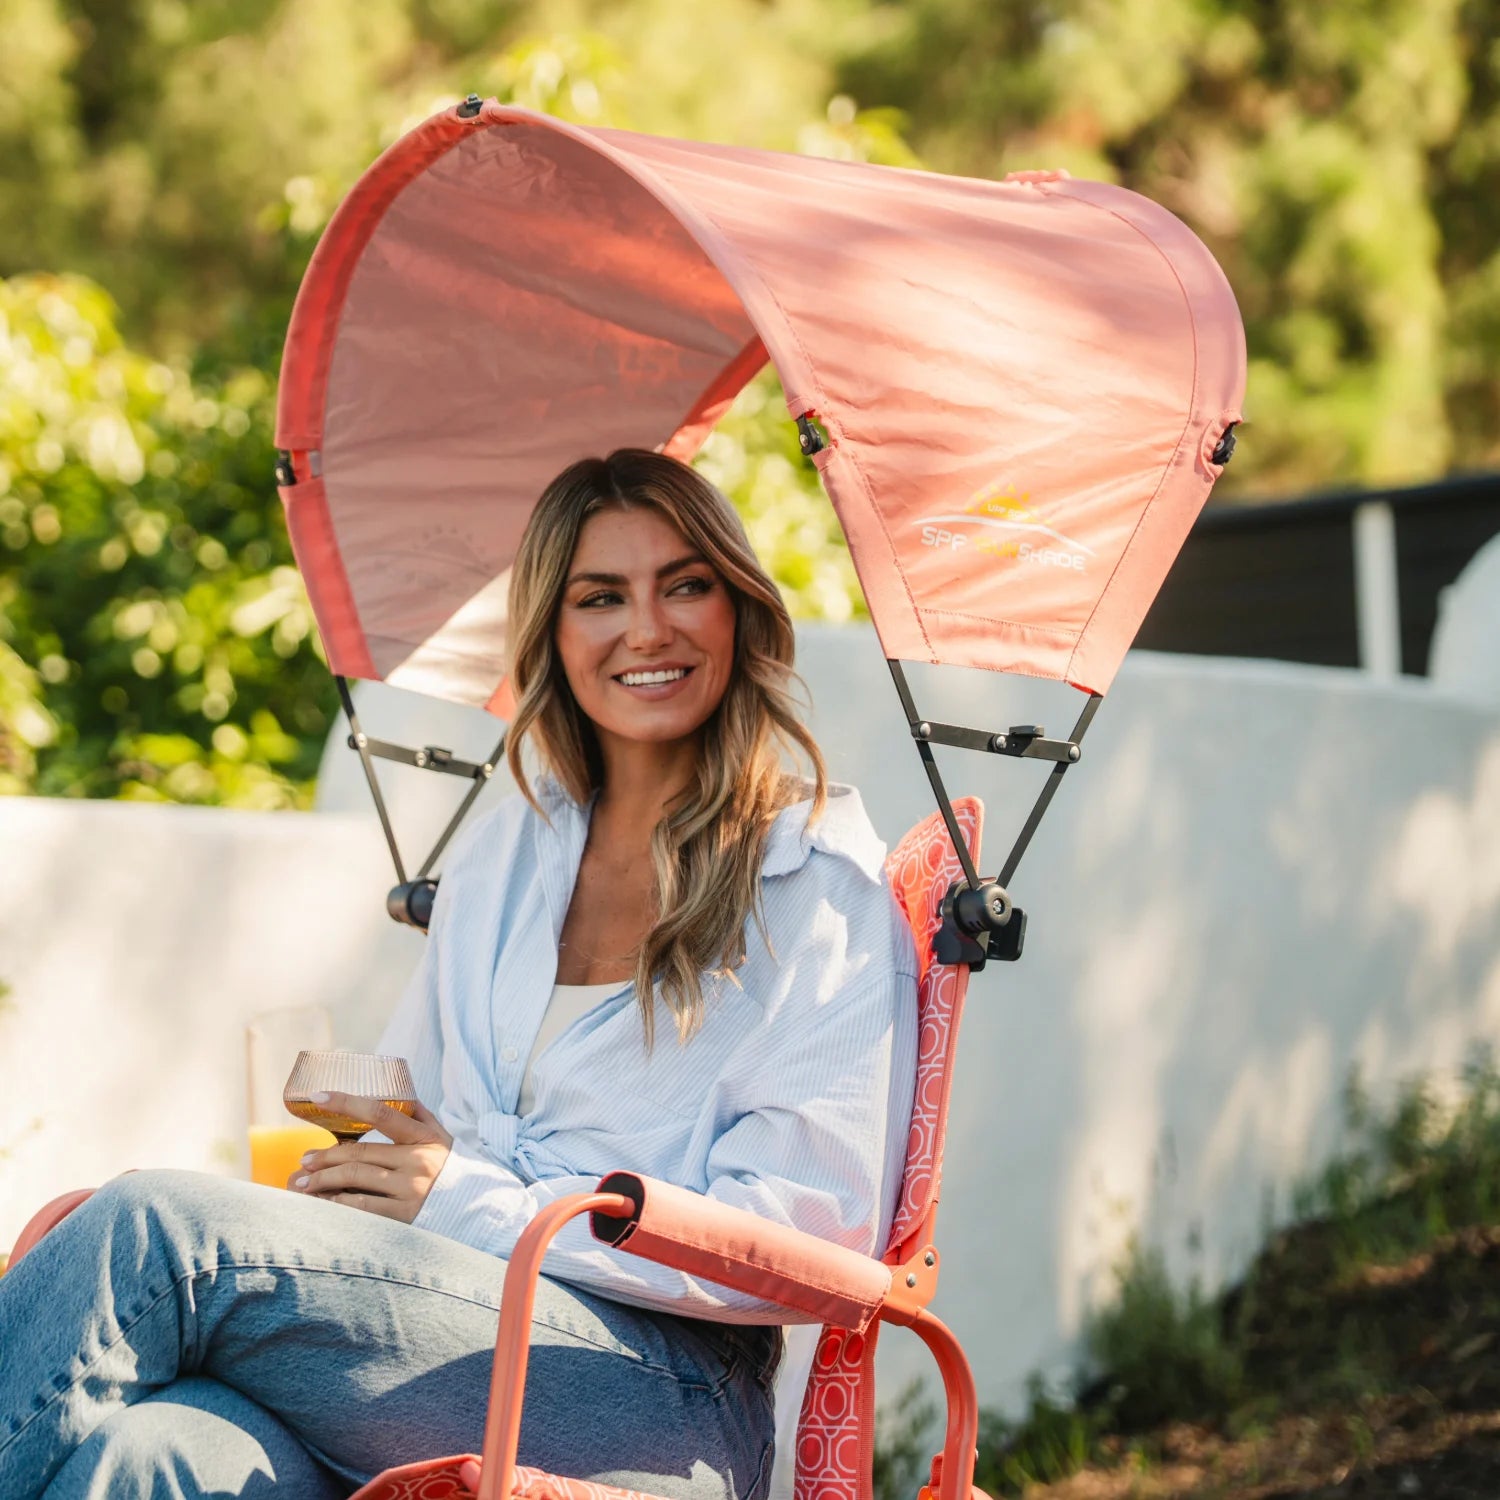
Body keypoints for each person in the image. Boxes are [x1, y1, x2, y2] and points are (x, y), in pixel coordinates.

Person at [0, 450, 919, 1499]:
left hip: (667, 1394)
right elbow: (411, 1109)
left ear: (740, 610)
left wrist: (470, 1201)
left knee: (157, 1234)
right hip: (438, 1331)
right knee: (159, 1448)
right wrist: (345, 1164)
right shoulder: (509, 857)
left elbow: (803, 1232)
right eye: (600, 597)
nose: (648, 628)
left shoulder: (814, 885)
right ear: (554, 635)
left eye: (687, 584)